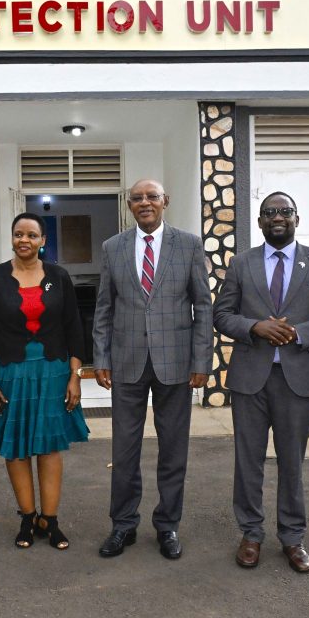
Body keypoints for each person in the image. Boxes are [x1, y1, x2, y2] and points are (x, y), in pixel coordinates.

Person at [213, 191, 309, 573]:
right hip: (250, 379)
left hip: (299, 379)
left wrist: (299, 333)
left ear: (296, 218)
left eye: (285, 212)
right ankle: (251, 534)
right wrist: (254, 326)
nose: (278, 217)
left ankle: (293, 538)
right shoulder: (242, 264)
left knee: (292, 462)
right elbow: (222, 315)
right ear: (259, 222)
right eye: (270, 212)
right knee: (249, 462)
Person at [93, 179, 213, 560]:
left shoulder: (189, 244)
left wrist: (201, 362)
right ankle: (123, 525)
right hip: (126, 363)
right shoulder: (113, 247)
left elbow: (203, 307)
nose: (144, 203)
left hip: (176, 364)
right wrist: (102, 358)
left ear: (165, 202)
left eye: (151, 197)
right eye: (137, 199)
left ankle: (168, 526)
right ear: (129, 206)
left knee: (173, 450)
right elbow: (104, 308)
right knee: (124, 450)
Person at [0, 212, 90, 549]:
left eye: (32, 235)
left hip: (52, 373)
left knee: (49, 447)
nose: (25, 240)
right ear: (12, 238)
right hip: (10, 374)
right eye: (19, 234)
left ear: (43, 240)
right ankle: (27, 517)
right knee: (18, 447)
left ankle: (49, 521)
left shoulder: (59, 276)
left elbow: (74, 330)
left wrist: (75, 376)